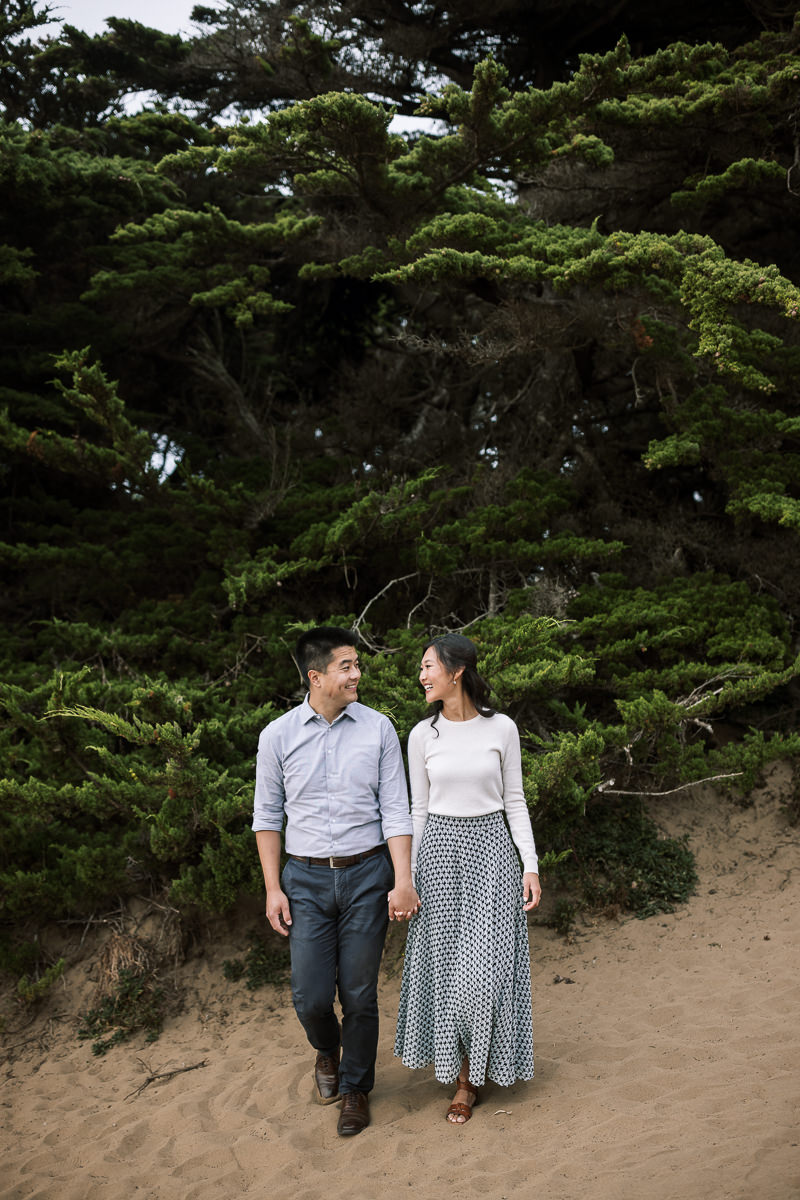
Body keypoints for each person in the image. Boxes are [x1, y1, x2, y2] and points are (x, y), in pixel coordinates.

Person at [253, 626, 420, 1137]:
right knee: (309, 997)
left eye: (356, 664)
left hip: (369, 873)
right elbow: (267, 816)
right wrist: (273, 888)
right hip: (303, 878)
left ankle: (355, 1089)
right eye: (347, 666)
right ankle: (326, 1051)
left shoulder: (378, 730)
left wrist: (403, 879)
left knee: (360, 994)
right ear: (316, 676)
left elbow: (396, 809)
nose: (357, 674)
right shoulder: (277, 736)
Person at [394, 633, 541, 1124]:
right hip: (437, 858)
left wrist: (531, 864)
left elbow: (515, 800)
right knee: (446, 974)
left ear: (456, 671)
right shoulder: (421, 736)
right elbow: (416, 811)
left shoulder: (501, 728)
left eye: (428, 666)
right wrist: (408, 877)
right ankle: (463, 1069)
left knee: (482, 976)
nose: (422, 675)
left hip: (492, 856)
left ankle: (468, 1082)